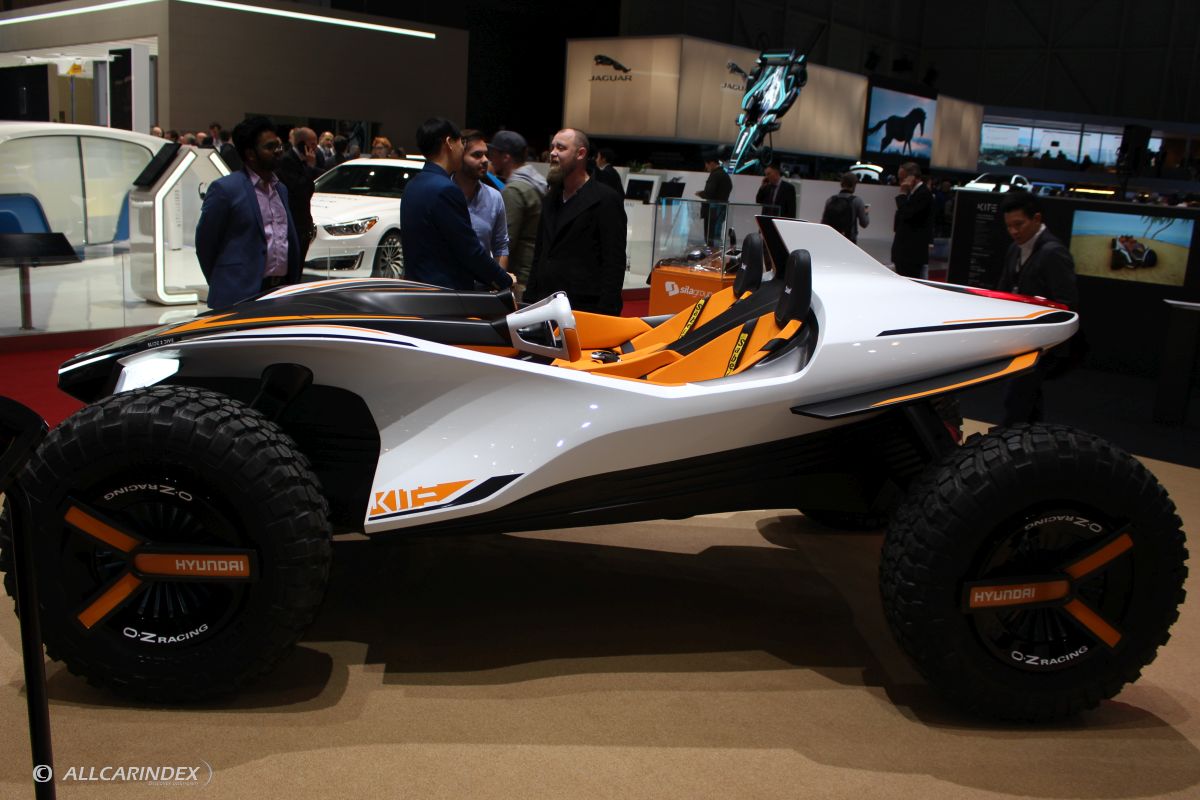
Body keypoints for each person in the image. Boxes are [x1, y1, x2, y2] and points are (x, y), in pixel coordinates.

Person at [195, 116, 302, 309]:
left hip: (280, 291)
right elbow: (205, 244)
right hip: (239, 294)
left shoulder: (281, 189)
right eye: (270, 147)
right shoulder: (225, 189)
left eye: (279, 145)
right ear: (251, 154)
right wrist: (224, 282)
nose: (278, 151)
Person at [400, 117, 515, 292]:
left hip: (416, 292)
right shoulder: (446, 189)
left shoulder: (412, 185)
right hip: (445, 295)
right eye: (461, 142)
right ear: (449, 143)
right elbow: (470, 251)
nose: (461, 149)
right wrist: (504, 280)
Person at [994, 191, 1079, 425]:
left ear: (1037, 219)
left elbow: (1067, 302)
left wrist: (1048, 341)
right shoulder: (1015, 249)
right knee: (1026, 400)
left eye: (1019, 224)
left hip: (1039, 343)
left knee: (1017, 399)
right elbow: (1004, 290)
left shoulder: (1053, 252)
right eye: (1009, 226)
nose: (1013, 231)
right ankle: (1029, 438)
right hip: (1019, 338)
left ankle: (1010, 440)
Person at [525, 128, 627, 315]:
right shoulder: (550, 198)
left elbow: (614, 263)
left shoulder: (606, 199)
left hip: (585, 308)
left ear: (580, 154)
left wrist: (606, 313)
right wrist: (529, 300)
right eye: (552, 147)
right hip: (545, 303)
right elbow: (539, 253)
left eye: (561, 148)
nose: (553, 153)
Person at [489, 130, 547, 301]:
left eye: (493, 153)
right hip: (533, 271)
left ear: (506, 157)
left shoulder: (514, 190)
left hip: (519, 276)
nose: (489, 158)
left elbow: (506, 240)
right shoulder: (535, 181)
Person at [453, 129, 509, 268]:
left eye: (485, 154)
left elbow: (501, 246)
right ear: (459, 156)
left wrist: (499, 279)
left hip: (482, 281)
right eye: (477, 155)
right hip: (446, 280)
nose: (485, 160)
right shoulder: (441, 194)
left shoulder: (494, 197)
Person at [274, 126, 319, 258]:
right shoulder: (287, 161)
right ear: (301, 144)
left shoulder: (304, 161)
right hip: (293, 222)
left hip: (304, 221)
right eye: (312, 144)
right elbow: (299, 190)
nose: (315, 147)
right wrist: (310, 167)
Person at [891, 161, 933, 278]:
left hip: (911, 254)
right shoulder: (913, 194)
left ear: (912, 177)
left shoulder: (923, 194)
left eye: (902, 179)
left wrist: (902, 194)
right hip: (904, 253)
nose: (900, 183)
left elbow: (907, 214)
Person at [696, 150, 732, 247]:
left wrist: (701, 194)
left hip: (713, 210)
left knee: (710, 237)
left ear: (712, 163)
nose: (706, 167)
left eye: (707, 164)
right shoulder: (724, 174)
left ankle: (712, 254)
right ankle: (716, 253)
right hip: (720, 209)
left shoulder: (715, 174)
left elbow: (709, 192)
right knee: (716, 235)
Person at [821, 172, 869, 242]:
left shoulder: (830, 200)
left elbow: (823, 222)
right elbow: (864, 224)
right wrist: (866, 212)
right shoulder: (857, 201)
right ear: (854, 185)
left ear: (841, 183)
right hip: (849, 240)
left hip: (831, 238)